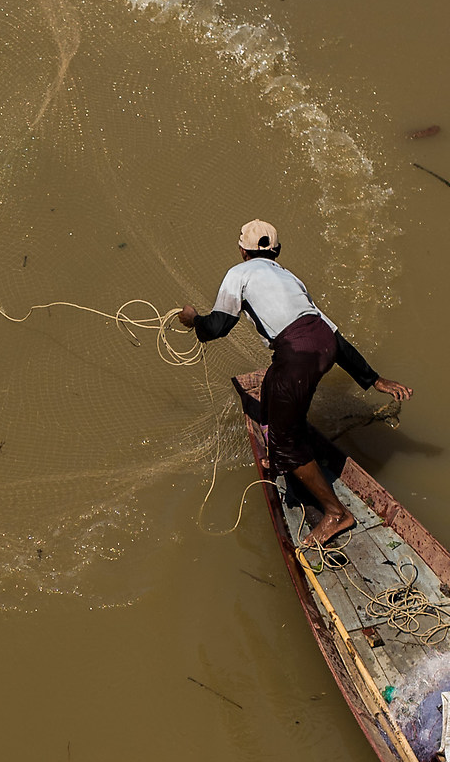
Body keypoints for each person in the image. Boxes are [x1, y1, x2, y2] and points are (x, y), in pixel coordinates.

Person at [174, 219, 409, 547]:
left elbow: (217, 328)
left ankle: (335, 513)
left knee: (286, 441)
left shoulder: (239, 274)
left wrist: (192, 320)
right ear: (277, 251)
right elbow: (333, 336)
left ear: (243, 250)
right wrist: (373, 379)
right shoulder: (289, 277)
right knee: (272, 383)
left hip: (298, 353)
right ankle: (280, 450)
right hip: (322, 343)